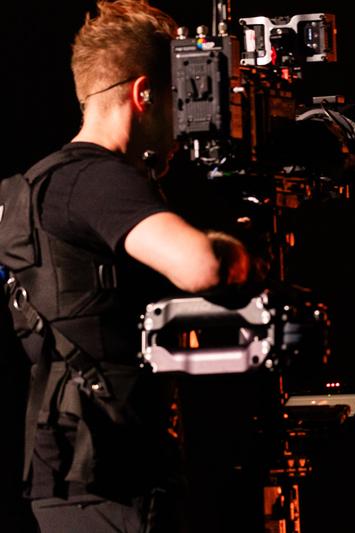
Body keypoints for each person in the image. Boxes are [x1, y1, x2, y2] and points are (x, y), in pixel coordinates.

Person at [5, 1, 253, 531]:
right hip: (112, 478)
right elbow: (202, 266)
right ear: (144, 95)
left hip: (74, 468)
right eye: (177, 99)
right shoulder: (99, 179)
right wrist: (245, 253)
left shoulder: (41, 181)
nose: (184, 123)